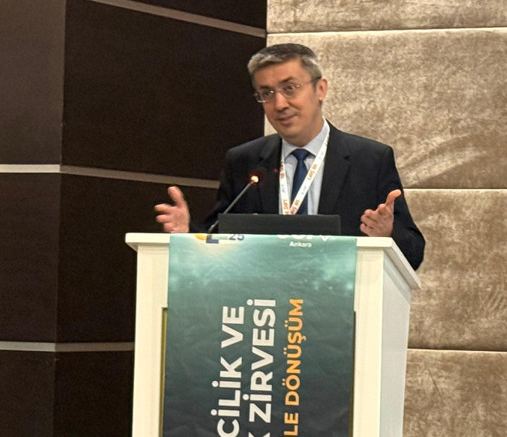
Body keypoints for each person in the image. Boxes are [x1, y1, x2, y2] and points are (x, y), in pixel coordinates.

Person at [155, 43, 425, 269]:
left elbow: (414, 253)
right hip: (263, 301)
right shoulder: (244, 160)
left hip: (341, 301)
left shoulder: (370, 159)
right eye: (267, 93)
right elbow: (218, 238)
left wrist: (387, 234)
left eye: (290, 88)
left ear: (320, 89)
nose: (279, 104)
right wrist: (187, 234)